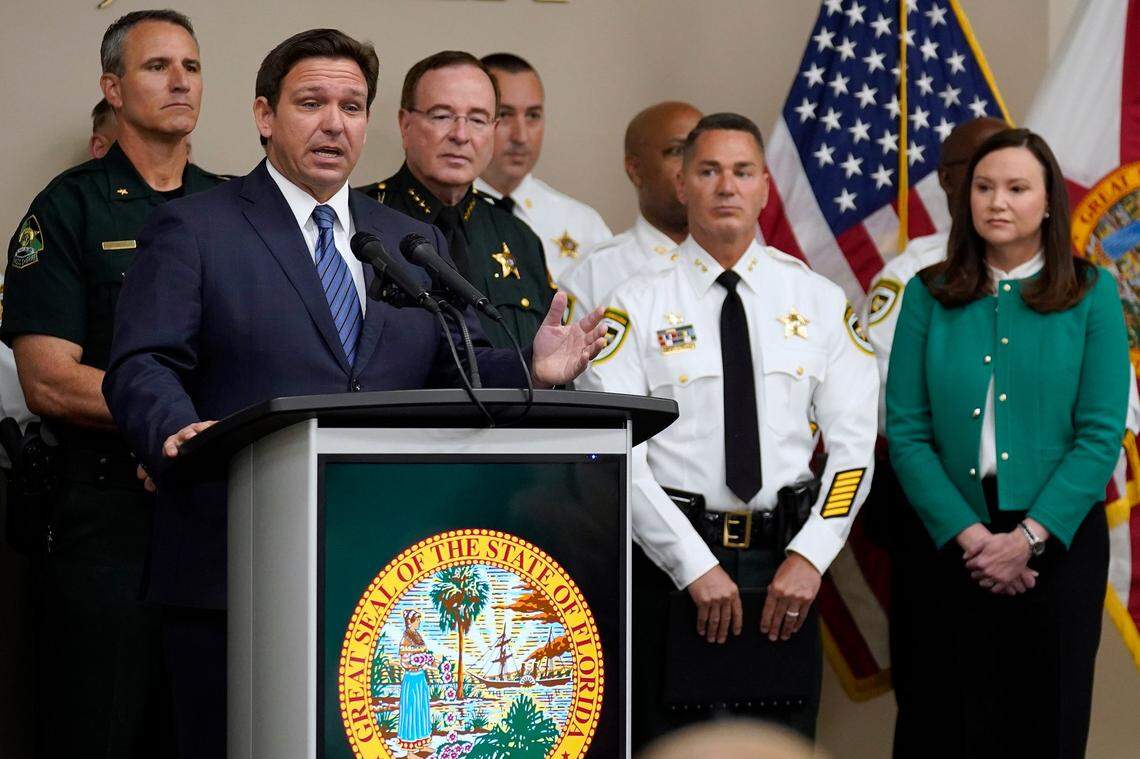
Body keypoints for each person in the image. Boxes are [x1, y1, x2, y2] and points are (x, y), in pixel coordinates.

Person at [102, 29, 605, 757]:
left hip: (386, 573)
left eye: (351, 105)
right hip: (234, 565)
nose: (335, 123)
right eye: (312, 103)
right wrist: (174, 427)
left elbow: (452, 364)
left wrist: (533, 364)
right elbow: (141, 362)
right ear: (265, 116)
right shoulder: (197, 226)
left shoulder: (404, 241)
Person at [577, 113, 877, 747]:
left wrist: (813, 555)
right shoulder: (635, 306)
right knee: (671, 746)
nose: (726, 187)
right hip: (668, 568)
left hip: (785, 570)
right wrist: (692, 564)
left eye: (742, 172)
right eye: (708, 171)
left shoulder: (820, 302)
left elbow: (852, 453)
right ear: (681, 183)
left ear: (765, 186)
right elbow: (619, 453)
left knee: (779, 744)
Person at [1, 10, 225, 756]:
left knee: (208, 728)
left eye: (191, 67)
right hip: (106, 517)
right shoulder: (68, 208)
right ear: (113, 87)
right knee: (99, 729)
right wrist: (172, 423)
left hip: (213, 513)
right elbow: (49, 379)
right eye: (158, 66)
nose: (180, 81)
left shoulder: (232, 208)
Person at [886, 128, 1130, 758]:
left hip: (1057, 541)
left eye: (1017, 188)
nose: (998, 201)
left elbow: (1101, 433)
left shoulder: (1092, 292)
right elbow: (907, 433)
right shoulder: (927, 293)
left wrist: (1026, 540)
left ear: (1048, 202)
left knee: (1043, 726)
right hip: (948, 537)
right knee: (940, 724)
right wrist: (974, 539)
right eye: (985, 187)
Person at [359, 51, 552, 348]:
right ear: (405, 123)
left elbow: (548, 361)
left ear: (493, 130)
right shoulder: (357, 218)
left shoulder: (519, 237)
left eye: (477, 119)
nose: (461, 135)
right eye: (442, 116)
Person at [474, 53, 612, 287]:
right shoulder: (443, 217)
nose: (521, 136)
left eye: (533, 116)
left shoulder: (584, 226)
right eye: (504, 115)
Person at [562, 101, 702, 315]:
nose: (695, 165)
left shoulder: (742, 263)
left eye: (702, 152)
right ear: (635, 170)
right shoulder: (592, 275)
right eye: (678, 151)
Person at [397, 609, 432, 754]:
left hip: (420, 678)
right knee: (411, 711)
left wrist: (428, 662)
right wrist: (418, 664)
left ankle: (421, 744)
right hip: (411, 679)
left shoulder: (418, 636)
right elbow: (404, 662)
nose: (419, 622)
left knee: (421, 709)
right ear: (409, 622)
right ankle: (410, 752)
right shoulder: (405, 638)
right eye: (417, 620)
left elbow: (423, 655)